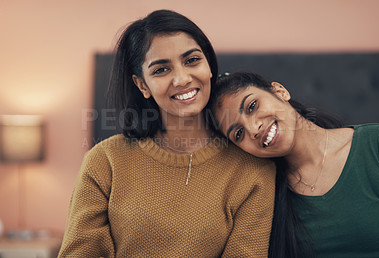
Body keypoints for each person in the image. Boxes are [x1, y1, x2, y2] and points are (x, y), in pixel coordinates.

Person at [58, 11, 276, 257]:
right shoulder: (105, 161)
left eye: (192, 60)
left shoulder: (253, 170)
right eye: (161, 70)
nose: (182, 79)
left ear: (209, 65)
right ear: (142, 85)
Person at [208, 72, 379, 258]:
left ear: (279, 91)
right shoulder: (263, 194)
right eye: (239, 134)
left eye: (252, 106)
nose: (253, 129)